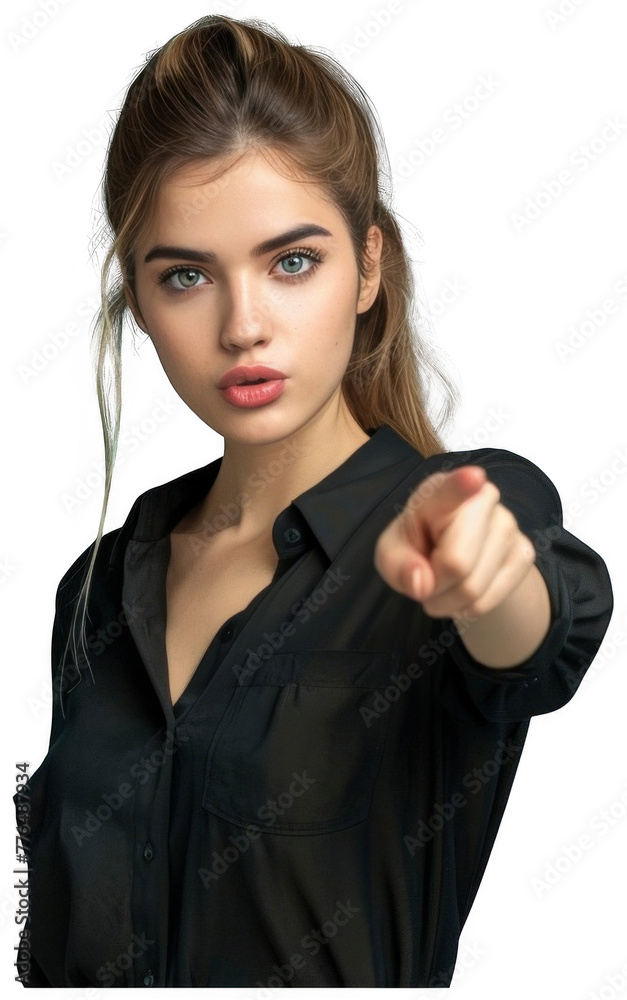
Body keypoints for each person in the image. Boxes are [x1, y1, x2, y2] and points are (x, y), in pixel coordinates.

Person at [13, 13, 613, 989]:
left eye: (292, 262)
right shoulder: (97, 588)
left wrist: (489, 579)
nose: (243, 325)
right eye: (186, 275)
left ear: (369, 264)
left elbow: (534, 635)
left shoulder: (454, 516)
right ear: (138, 298)